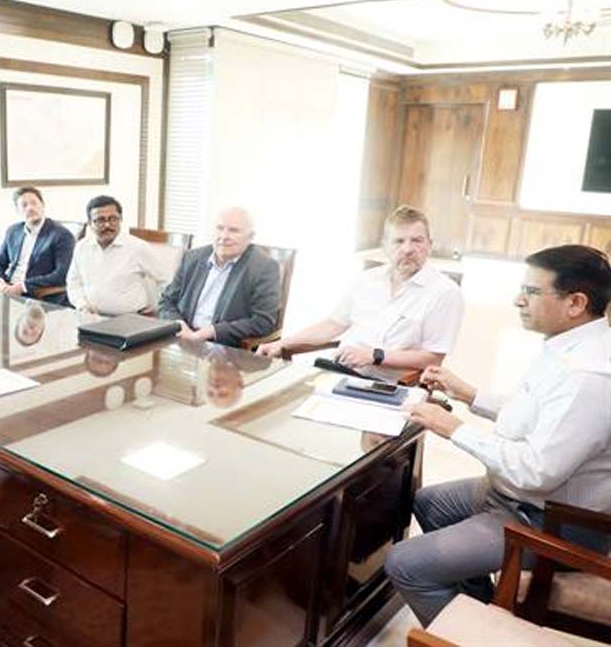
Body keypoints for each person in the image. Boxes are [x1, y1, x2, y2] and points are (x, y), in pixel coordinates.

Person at [384, 244, 611, 627]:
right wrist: (469, 394)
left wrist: (455, 429)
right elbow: (535, 415)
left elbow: (537, 472)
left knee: (405, 563)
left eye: (531, 292)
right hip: (518, 498)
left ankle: (470, 636)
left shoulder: (589, 376)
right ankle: (480, 607)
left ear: (575, 303)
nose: (518, 301)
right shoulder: (571, 345)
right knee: (429, 503)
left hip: (547, 519)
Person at [257, 206, 463, 382]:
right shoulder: (367, 279)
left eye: (417, 240)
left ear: (429, 245)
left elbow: (432, 359)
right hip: (339, 373)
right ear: (385, 246)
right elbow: (332, 325)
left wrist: (375, 356)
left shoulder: (445, 292)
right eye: (399, 241)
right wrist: (282, 343)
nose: (408, 249)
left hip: (387, 385)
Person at [158, 207, 281, 347]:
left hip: (224, 346)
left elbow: (263, 322)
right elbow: (166, 301)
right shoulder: (192, 257)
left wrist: (212, 332)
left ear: (250, 237)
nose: (224, 236)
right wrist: (178, 325)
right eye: (219, 228)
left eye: (234, 230)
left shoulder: (264, 267)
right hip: (181, 339)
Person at [66, 195, 169, 315]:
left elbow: (166, 281)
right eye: (100, 220)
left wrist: (158, 308)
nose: (107, 225)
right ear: (89, 223)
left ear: (121, 220)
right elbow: (73, 283)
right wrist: (82, 305)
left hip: (130, 318)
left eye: (113, 219)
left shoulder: (138, 247)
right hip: (90, 316)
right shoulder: (82, 247)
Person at [0, 186, 75, 306]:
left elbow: (62, 274)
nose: (30, 208)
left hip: (37, 295)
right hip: (8, 291)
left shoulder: (62, 235)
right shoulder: (13, 231)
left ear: (43, 205)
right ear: (17, 211)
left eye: (34, 203)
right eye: (24, 205)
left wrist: (23, 286)